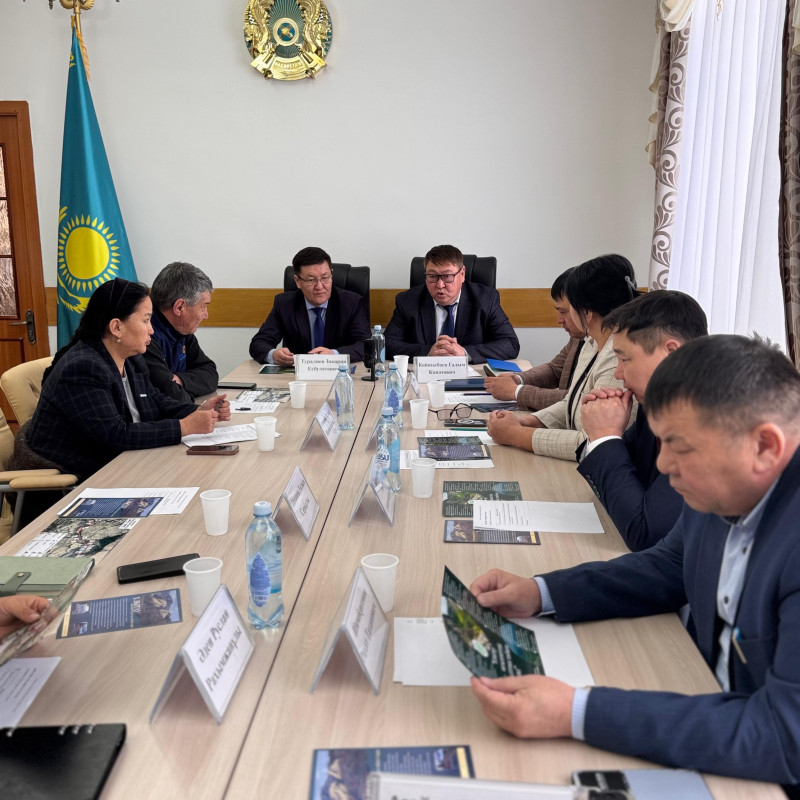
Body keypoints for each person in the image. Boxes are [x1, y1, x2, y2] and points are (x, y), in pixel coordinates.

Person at [469, 335, 800, 795]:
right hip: (705, 708)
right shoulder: (729, 484)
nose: (664, 464)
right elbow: (668, 564)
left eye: (680, 447)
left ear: (764, 446)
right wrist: (541, 592)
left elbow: (781, 737)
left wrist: (576, 712)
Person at [16, 278, 230, 485]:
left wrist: (197, 410)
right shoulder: (83, 367)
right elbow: (115, 435)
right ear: (116, 327)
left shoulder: (130, 358)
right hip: (70, 485)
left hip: (123, 467)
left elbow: (155, 400)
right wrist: (184, 426)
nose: (152, 330)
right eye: (146, 320)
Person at [577, 290, 708, 550]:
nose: (618, 373)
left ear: (671, 353)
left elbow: (645, 535)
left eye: (625, 359)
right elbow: (618, 486)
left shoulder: (710, 422)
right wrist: (603, 433)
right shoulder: (655, 406)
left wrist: (604, 437)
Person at [487, 254, 638, 460]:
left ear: (586, 312)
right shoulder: (592, 342)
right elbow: (570, 403)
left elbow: (593, 442)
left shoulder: (617, 358)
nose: (560, 318)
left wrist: (515, 434)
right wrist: (527, 422)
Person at [384, 244, 519, 362]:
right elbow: (386, 344)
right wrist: (428, 352)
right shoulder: (408, 301)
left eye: (447, 276)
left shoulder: (486, 299)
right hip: (425, 375)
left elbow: (510, 344)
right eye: (432, 276)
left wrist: (465, 353)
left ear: (462, 274)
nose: (440, 285)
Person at [249, 247, 371, 365]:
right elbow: (259, 343)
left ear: (331, 275)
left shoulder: (351, 303)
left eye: (325, 278)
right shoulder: (285, 304)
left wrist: (334, 354)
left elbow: (366, 344)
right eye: (311, 280)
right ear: (297, 281)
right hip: (297, 376)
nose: (319, 286)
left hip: (340, 373)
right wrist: (273, 355)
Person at [484, 267, 584, 410]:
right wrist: (518, 379)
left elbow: (576, 400)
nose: (559, 320)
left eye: (563, 312)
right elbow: (555, 370)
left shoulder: (608, 347)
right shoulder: (579, 337)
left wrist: (517, 392)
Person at [144, 261, 218, 403]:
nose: (206, 315)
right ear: (179, 307)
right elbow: (170, 393)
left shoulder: (183, 330)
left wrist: (179, 380)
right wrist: (173, 385)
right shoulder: (146, 335)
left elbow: (210, 373)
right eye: (203, 306)